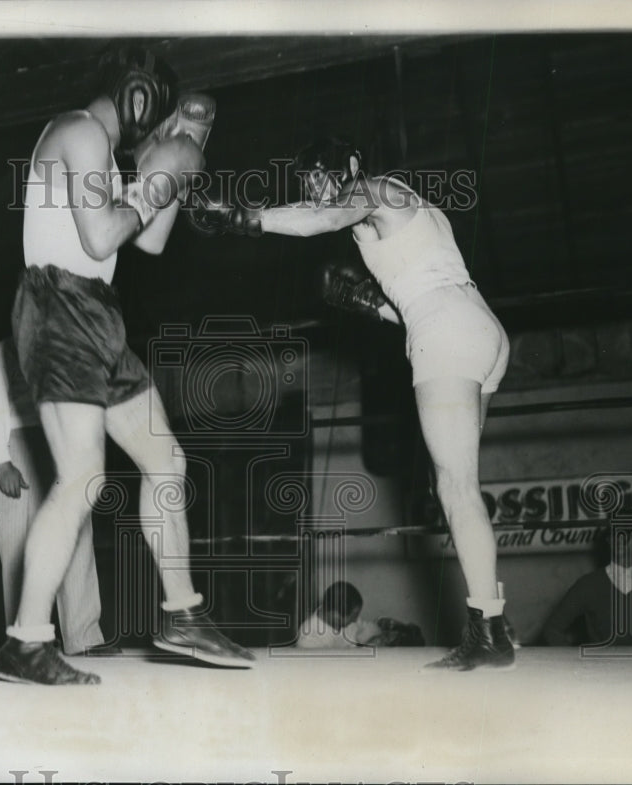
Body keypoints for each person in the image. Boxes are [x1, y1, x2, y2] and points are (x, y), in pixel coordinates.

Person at [191, 138, 513, 670]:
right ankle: (494, 617)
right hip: (481, 330)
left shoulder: (374, 189)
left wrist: (244, 219)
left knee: (456, 488)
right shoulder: (403, 214)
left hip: (448, 332)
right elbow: (420, 291)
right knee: (454, 485)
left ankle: (489, 633)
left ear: (354, 165)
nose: (318, 186)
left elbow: (315, 222)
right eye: (309, 179)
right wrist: (370, 306)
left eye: (323, 172)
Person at [0, 45, 254, 685]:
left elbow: (153, 241)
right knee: (82, 478)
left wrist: (176, 168)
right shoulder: (77, 130)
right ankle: (26, 642)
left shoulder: (107, 157)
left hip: (98, 312)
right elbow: (102, 236)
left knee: (166, 460)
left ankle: (183, 614)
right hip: (59, 304)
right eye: (166, 113)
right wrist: (159, 172)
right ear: (141, 95)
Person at [0, 339, 117, 656]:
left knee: (76, 533)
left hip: (58, 442)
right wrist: (1, 461)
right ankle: (27, 640)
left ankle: (84, 637)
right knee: (18, 545)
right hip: (15, 443)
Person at [296, 581, 424, 649]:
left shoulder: (345, 619)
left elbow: (364, 629)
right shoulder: (309, 639)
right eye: (353, 616)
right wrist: (365, 648)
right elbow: (330, 675)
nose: (356, 619)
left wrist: (381, 632)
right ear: (335, 615)